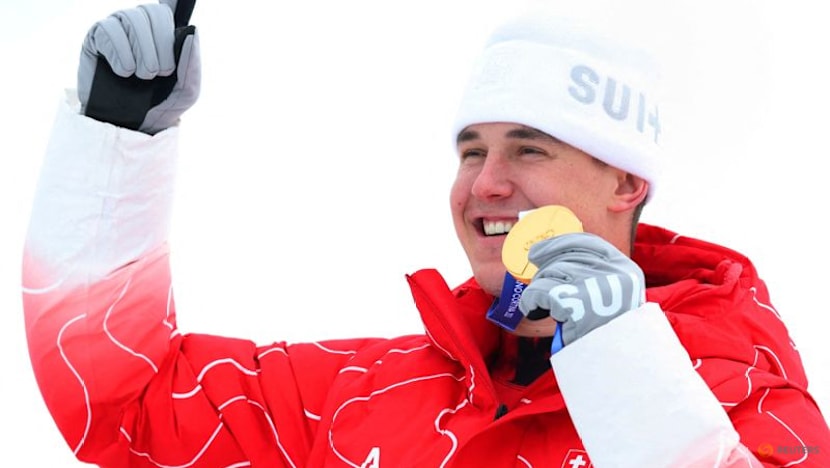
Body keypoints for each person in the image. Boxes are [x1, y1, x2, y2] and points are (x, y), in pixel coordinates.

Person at [22, 1, 830, 467]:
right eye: (470, 151)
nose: (486, 184)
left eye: (529, 149)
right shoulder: (364, 393)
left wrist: (621, 362)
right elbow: (124, 407)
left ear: (627, 182)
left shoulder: (744, 389)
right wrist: (117, 140)